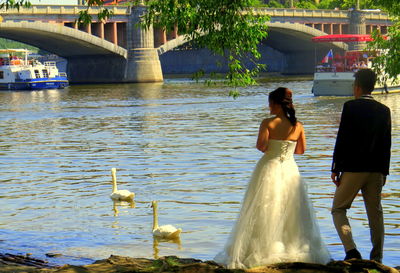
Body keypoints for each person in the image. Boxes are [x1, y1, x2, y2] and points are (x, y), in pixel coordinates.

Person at [214, 87, 331, 269]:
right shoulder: (298, 126)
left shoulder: (267, 123)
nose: (268, 106)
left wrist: (273, 145)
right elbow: (301, 150)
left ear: (275, 103)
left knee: (265, 208)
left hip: (269, 167)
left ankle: (262, 250)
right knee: (293, 209)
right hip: (290, 169)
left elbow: (261, 146)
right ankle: (294, 247)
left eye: (270, 102)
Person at [331, 69, 391, 263]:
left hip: (353, 168)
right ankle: (377, 258)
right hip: (376, 168)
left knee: (338, 209)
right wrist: (384, 172)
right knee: (375, 214)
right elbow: (386, 143)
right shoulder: (384, 110)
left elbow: (343, 138)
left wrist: (335, 167)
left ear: (357, 87)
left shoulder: (350, 107)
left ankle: (351, 250)